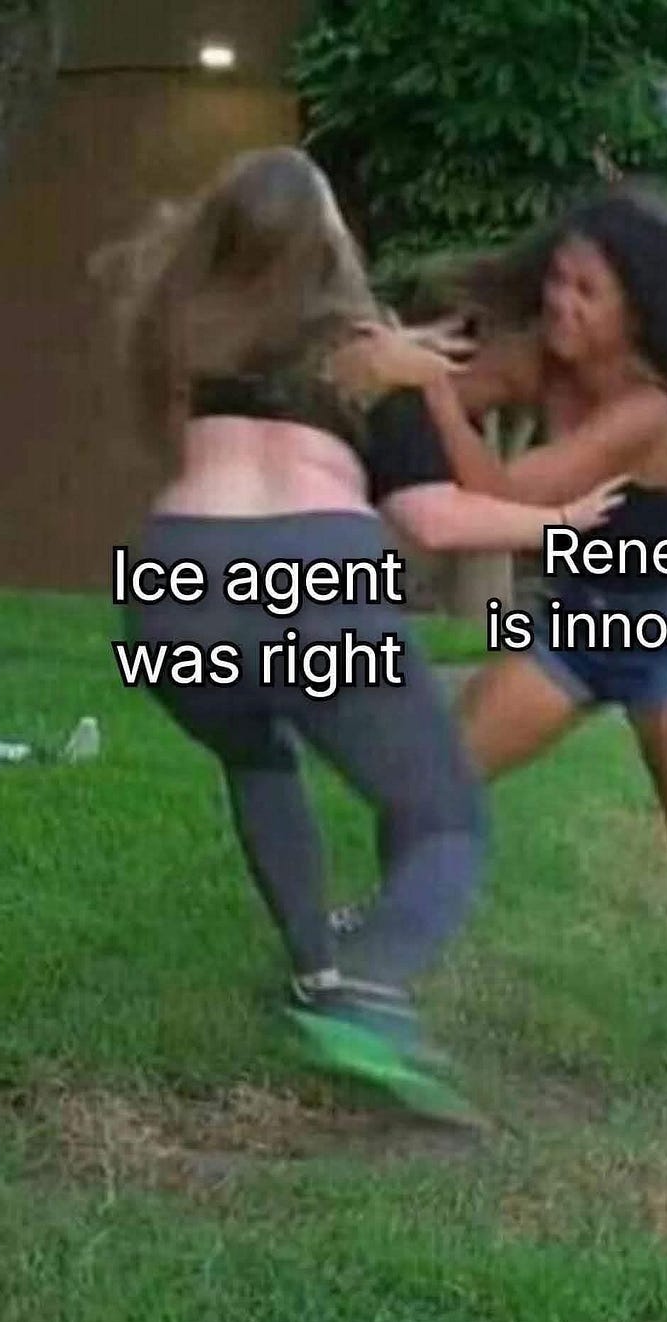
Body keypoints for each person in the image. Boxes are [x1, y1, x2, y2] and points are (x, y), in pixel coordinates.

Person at [329, 178, 667, 1128]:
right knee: (431, 784)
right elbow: (440, 393)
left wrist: (423, 388)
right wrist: (402, 366)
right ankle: (380, 938)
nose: (561, 303)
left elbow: (507, 492)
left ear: (637, 310)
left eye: (587, 291)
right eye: (557, 281)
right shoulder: (537, 355)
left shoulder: (650, 411)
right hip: (579, 625)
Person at [96, 147, 623, 1119]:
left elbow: (215, 429)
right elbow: (432, 520)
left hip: (171, 587)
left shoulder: (183, 338)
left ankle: (315, 975)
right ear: (331, 246)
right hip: (314, 581)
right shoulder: (378, 356)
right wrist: (561, 520)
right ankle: (370, 991)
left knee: (254, 756)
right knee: (447, 818)